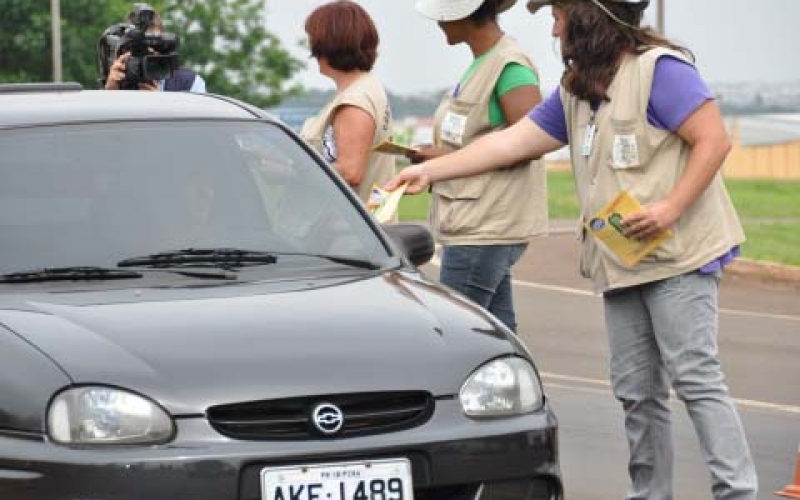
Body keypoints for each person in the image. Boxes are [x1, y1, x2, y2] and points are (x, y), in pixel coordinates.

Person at [386, 0, 758, 498]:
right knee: (635, 391)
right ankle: (650, 494)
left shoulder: (659, 70)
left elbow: (713, 141)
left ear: (587, 17)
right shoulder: (577, 90)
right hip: (621, 261)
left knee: (695, 378)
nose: (553, 26)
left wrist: (670, 208)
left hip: (679, 258)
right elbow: (511, 143)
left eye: (558, 15)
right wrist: (429, 171)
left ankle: (736, 491)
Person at [405, 0, 546, 333]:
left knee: (455, 330)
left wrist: (444, 160)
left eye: (442, 17)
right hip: (472, 220)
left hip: (486, 224)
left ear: (464, 15)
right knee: (496, 329)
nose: (438, 25)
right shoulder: (483, 64)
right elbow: (480, 140)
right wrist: (440, 156)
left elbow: (529, 142)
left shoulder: (509, 66)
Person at [300, 1, 395, 206]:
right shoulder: (366, 88)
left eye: (314, 41)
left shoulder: (355, 100)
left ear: (329, 44)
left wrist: (293, 168)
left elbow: (350, 171)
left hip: (346, 233)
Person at [103, 5, 206, 92]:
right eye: (140, 46)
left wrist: (159, 105)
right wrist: (110, 92)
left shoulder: (188, 83)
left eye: (154, 44)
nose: (148, 51)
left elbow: (202, 115)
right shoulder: (120, 80)